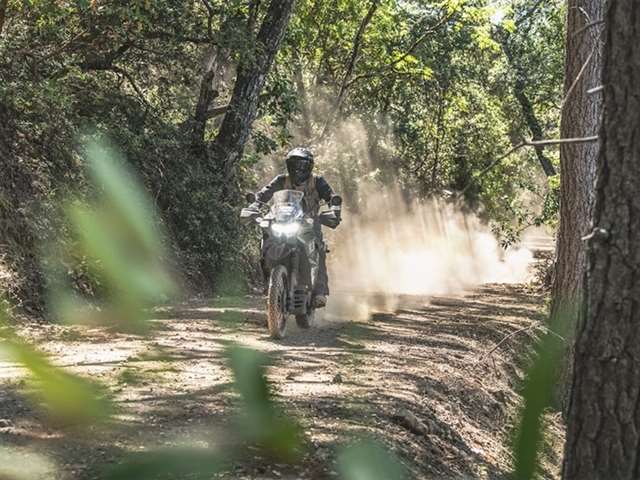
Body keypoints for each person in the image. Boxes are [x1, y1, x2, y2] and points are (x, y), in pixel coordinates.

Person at [249, 147, 339, 307]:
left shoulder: (317, 181)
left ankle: (319, 291)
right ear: (289, 165)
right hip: (282, 222)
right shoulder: (281, 180)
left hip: (309, 224)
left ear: (309, 166)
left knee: (318, 249)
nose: (298, 168)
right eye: (294, 164)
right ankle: (268, 282)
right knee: (265, 242)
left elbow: (331, 197)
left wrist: (334, 210)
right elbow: (263, 195)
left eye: (302, 165)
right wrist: (254, 205)